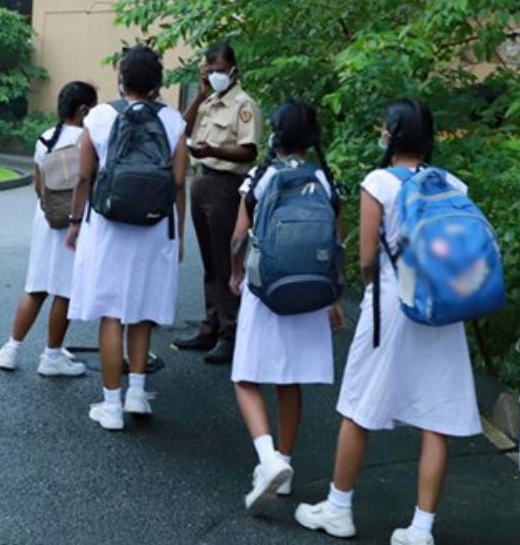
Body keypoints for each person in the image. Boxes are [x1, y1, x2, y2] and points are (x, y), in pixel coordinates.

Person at [295, 100, 480, 545]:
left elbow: (366, 260)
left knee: (360, 406)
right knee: (437, 416)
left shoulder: (378, 182)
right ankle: (421, 527)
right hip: (442, 306)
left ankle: (339, 507)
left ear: (392, 134)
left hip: (392, 306)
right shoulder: (453, 184)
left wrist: (376, 286)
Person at [227, 101, 344, 513]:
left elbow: (240, 237)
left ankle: (268, 458)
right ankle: (287, 464)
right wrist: (333, 299)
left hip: (267, 291)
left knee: (245, 377)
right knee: (289, 380)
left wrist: (235, 274)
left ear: (275, 135)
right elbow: (336, 245)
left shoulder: (263, 177)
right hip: (311, 292)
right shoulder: (326, 180)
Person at [66, 46, 188, 431]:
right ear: (158, 83)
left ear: (121, 77)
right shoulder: (173, 121)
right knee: (142, 309)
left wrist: (73, 222)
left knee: (112, 311)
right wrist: (180, 235)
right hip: (155, 227)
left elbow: (85, 174)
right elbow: (180, 181)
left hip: (107, 225)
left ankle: (112, 403)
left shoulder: (100, 117)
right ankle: (138, 391)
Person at [0, 82, 97, 376]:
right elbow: (89, 181)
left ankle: (11, 349)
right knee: (64, 290)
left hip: (45, 218)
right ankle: (52, 355)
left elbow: (38, 184)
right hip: (74, 222)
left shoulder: (45, 139)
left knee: (36, 286)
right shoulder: (89, 141)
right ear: (83, 110)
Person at [175, 43, 261, 365]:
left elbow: (249, 151)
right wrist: (198, 94)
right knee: (210, 262)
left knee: (227, 262)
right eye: (210, 71)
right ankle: (210, 325)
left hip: (227, 185)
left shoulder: (243, 104)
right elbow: (181, 129)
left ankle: (231, 332)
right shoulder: (208, 102)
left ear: (234, 70)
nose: (215, 76)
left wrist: (213, 151)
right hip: (202, 181)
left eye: (220, 71)